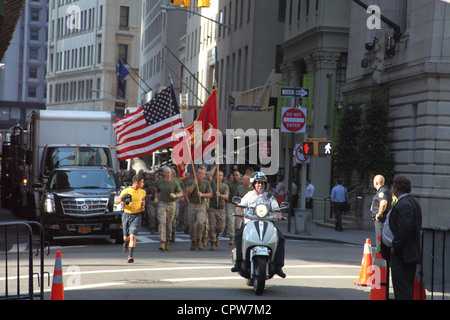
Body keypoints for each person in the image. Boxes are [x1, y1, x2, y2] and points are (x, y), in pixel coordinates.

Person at [231, 172, 286, 278]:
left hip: (268, 223)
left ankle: (278, 266)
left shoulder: (269, 197)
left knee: (281, 238)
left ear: (265, 184)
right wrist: (239, 211)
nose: (260, 185)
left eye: (262, 183)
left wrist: (279, 215)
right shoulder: (249, 196)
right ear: (253, 184)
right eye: (257, 183)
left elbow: (277, 210)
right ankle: (238, 262)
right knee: (239, 236)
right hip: (250, 223)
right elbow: (239, 206)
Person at [382, 175, 422, 300]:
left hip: (403, 254)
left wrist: (396, 245)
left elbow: (405, 227)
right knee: (403, 286)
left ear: (396, 187)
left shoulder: (405, 204)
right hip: (405, 253)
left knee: (402, 287)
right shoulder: (411, 202)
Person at [115, 174, 146, 263]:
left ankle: (130, 256)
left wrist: (143, 206)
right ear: (137, 182)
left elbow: (143, 199)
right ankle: (125, 243)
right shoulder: (126, 191)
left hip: (136, 215)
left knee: (133, 236)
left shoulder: (142, 192)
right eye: (142, 182)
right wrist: (122, 199)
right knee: (126, 237)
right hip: (127, 215)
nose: (143, 184)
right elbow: (117, 201)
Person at [154, 167, 183, 251]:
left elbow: (181, 193)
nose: (169, 174)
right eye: (167, 172)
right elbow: (157, 191)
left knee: (169, 224)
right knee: (162, 222)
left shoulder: (175, 182)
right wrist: (156, 198)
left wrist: (175, 195)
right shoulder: (160, 182)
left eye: (170, 172)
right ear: (164, 173)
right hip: (162, 204)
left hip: (171, 204)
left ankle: (168, 240)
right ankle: (162, 242)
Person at [185, 165, 213, 250]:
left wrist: (202, 195)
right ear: (196, 173)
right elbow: (188, 192)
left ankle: (199, 240)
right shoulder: (191, 181)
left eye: (202, 174)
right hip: (192, 205)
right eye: (199, 173)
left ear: (204, 175)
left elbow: (210, 194)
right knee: (191, 224)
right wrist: (194, 184)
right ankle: (193, 240)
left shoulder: (206, 183)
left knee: (200, 223)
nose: (200, 175)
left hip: (201, 206)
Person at [208, 170, 229, 250]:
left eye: (221, 175)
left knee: (221, 227)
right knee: (212, 226)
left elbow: (227, 197)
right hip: (212, 208)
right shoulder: (212, 184)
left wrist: (220, 195)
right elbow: (209, 176)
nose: (219, 177)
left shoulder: (225, 186)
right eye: (218, 175)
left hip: (221, 209)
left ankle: (216, 236)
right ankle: (213, 242)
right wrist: (214, 167)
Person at [371, 174, 392, 242]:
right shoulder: (385, 190)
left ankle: (379, 252)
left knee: (379, 239)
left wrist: (379, 214)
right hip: (384, 219)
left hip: (381, 220)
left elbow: (383, 203)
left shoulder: (382, 191)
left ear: (376, 182)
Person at [226, 171, 241, 245]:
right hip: (231, 204)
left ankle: (236, 237)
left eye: (237, 175)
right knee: (231, 221)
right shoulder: (229, 184)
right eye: (234, 175)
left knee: (238, 223)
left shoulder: (242, 184)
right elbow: (226, 191)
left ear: (240, 176)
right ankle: (231, 237)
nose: (235, 176)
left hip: (239, 206)